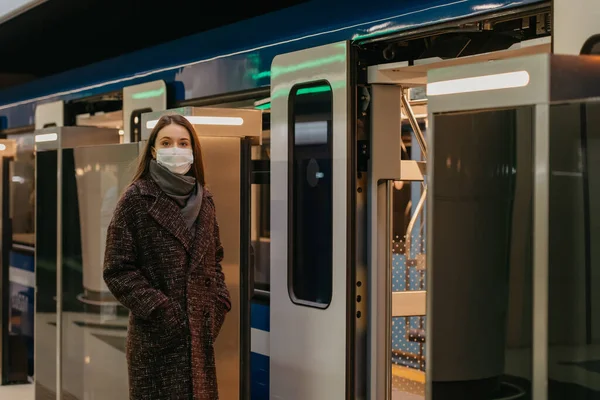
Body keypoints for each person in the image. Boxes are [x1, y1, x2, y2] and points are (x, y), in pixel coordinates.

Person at [103, 114, 231, 400]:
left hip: (199, 337)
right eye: (167, 142)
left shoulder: (204, 200)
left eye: (183, 142)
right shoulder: (136, 199)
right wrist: (163, 312)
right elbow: (117, 269)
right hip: (156, 341)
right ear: (153, 150)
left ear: (193, 150)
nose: (176, 148)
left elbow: (216, 258)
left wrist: (220, 303)